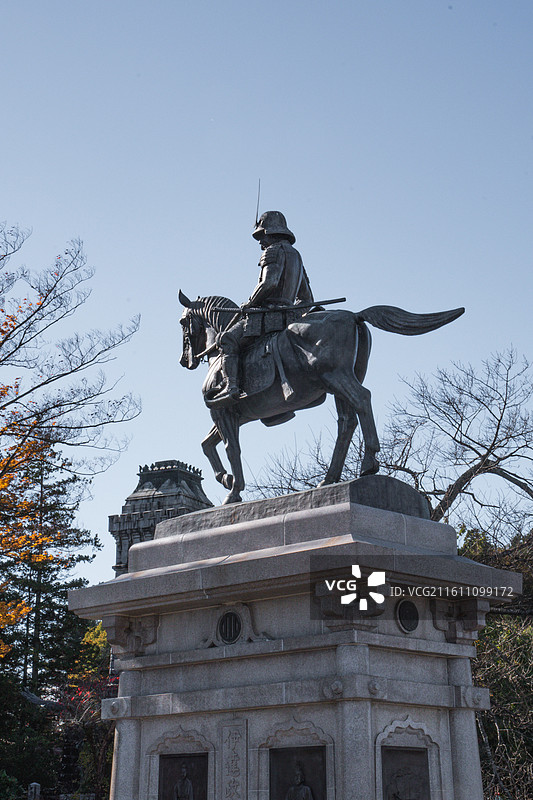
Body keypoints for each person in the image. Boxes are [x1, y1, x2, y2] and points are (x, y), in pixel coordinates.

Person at [212, 211, 315, 405]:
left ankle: (231, 387)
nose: (260, 242)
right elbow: (307, 298)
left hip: (267, 316)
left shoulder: (272, 251)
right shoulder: (296, 256)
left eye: (261, 236)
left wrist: (250, 303)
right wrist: (293, 313)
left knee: (226, 339)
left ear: (270, 232)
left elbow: (269, 283)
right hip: (290, 316)